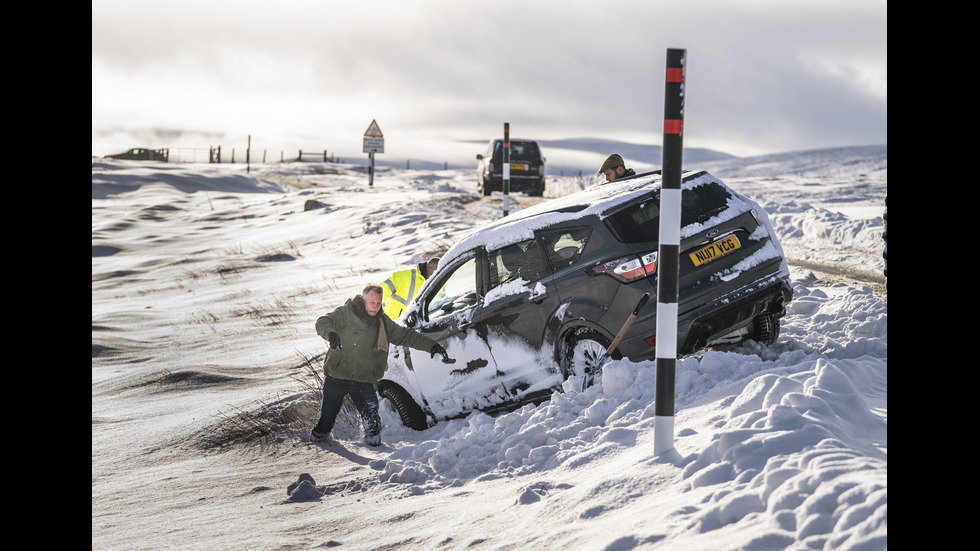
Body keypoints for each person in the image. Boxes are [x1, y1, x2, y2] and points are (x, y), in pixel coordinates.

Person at [311, 283, 453, 445]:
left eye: (379, 303)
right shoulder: (345, 313)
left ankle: (374, 450)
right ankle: (318, 441)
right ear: (364, 299)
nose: (375, 307)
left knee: (372, 421)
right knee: (327, 419)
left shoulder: (382, 322)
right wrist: (330, 334)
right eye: (372, 302)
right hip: (337, 375)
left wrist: (431, 345)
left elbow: (405, 336)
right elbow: (323, 321)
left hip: (363, 378)